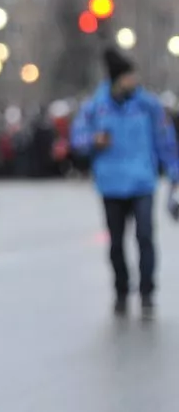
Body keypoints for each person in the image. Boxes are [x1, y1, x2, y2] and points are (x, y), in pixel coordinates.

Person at [71, 47, 179, 319]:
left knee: (145, 237)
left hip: (143, 182)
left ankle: (147, 292)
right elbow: (77, 139)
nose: (135, 80)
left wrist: (175, 173)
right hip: (111, 184)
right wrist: (94, 141)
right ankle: (121, 290)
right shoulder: (96, 106)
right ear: (118, 78)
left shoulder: (148, 105)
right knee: (116, 242)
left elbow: (165, 141)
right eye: (130, 75)